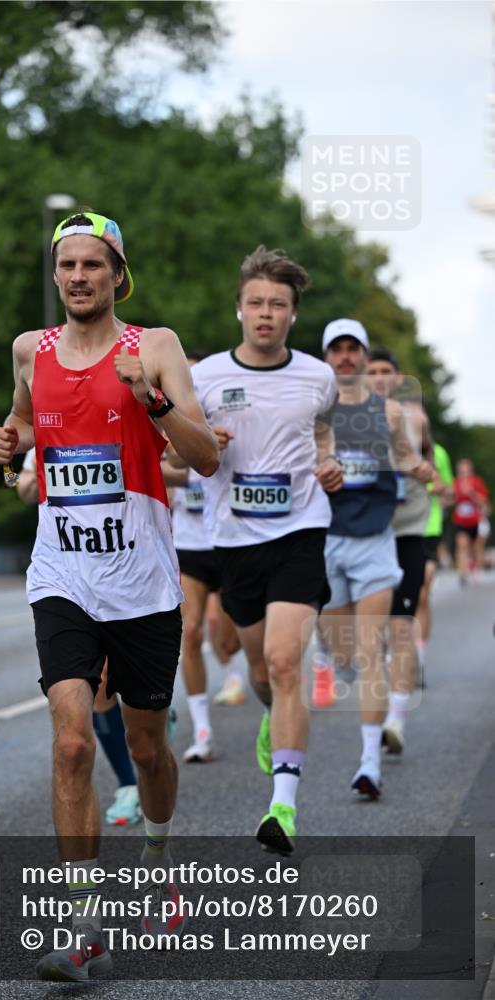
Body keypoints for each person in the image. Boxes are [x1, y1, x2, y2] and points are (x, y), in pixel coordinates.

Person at [0, 211, 219, 981]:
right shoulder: (31, 349)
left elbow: (207, 459)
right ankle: (82, 924)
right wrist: (11, 448)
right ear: (55, 275)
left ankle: (157, 855)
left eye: (93, 265)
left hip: (143, 580)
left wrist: (151, 402)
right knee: (72, 741)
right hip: (62, 574)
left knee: (148, 745)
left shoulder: (151, 347)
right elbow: (23, 427)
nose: (78, 277)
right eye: (67, 266)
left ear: (118, 273)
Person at [191, 246, 343, 854]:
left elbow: (324, 429)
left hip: (300, 532)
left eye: (277, 304)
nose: (265, 313)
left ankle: (283, 804)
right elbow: (176, 456)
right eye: (255, 303)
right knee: (259, 670)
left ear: (292, 315)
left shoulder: (317, 375)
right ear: (238, 309)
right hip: (233, 540)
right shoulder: (204, 379)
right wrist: (204, 444)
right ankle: (270, 714)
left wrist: (327, 462)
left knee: (285, 663)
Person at [319, 322, 433, 798]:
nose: (346, 357)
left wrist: (421, 469)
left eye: (353, 349)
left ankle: (369, 763)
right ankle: (363, 677)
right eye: (337, 349)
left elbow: (406, 457)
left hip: (374, 539)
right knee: (342, 654)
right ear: (327, 357)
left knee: (368, 654)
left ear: (364, 356)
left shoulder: (388, 412)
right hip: (326, 538)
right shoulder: (314, 409)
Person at [17, 448, 143, 827]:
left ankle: (151, 715)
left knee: (144, 706)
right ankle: (128, 785)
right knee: (98, 685)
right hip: (67, 575)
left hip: (131, 564)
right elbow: (20, 486)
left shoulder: (128, 400)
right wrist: (40, 472)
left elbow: (182, 469)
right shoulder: (47, 422)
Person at [162, 353, 245, 765]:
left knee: (229, 636)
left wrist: (221, 443)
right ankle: (203, 732)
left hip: (229, 543)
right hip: (190, 547)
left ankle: (248, 676)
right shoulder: (170, 418)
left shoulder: (232, 411)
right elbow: (169, 463)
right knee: (190, 631)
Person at [365, 348, 435, 750]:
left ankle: (395, 719)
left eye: (384, 372)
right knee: (370, 633)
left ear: (396, 377)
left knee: (401, 624)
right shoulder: (347, 417)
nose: (377, 377)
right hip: (364, 535)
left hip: (406, 530)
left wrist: (424, 472)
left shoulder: (415, 419)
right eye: (370, 371)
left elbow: (425, 465)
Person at [417, 442, 454, 676]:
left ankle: (418, 659)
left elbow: (449, 492)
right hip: (390, 530)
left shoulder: (438, 452)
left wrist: (433, 490)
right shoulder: (384, 446)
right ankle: (394, 652)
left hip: (428, 529)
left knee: (421, 594)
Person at [452, 458, 490, 585]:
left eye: (466, 471)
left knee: (476, 548)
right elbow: (451, 499)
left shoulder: (477, 482)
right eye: (461, 471)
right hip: (461, 521)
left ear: (470, 471)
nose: (463, 473)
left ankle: (477, 570)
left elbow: (484, 500)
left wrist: (472, 493)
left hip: (476, 521)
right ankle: (463, 573)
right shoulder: (455, 483)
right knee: (461, 545)